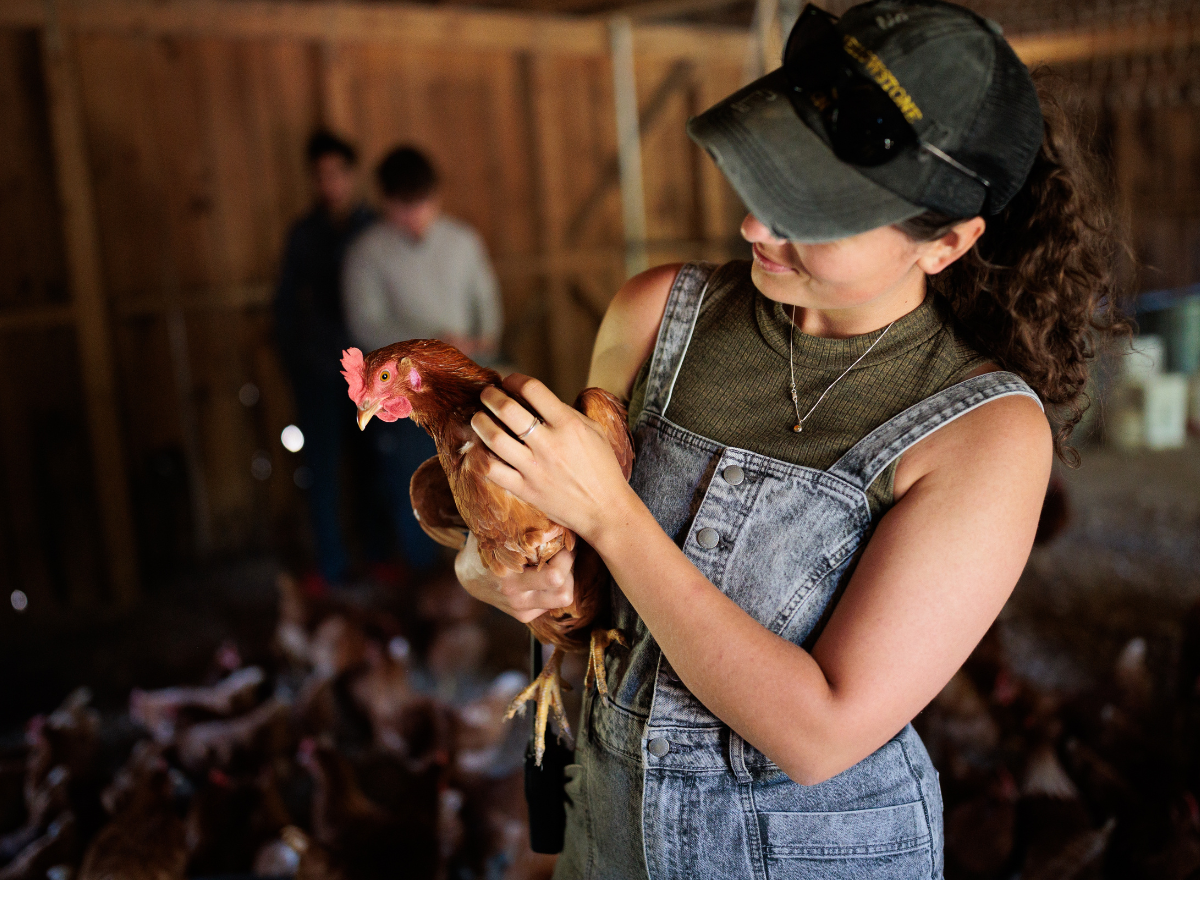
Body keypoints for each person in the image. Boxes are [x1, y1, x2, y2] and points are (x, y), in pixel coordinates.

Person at [454, 0, 1127, 880]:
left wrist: (613, 516)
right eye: (770, 181)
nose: (757, 228)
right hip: (608, 835)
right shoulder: (656, 313)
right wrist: (504, 574)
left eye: (815, 213)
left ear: (948, 242)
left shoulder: (985, 432)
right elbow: (538, 590)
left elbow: (822, 731)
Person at [344, 146, 503, 574]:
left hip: (465, 385)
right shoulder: (366, 253)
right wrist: (429, 345)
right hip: (407, 397)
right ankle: (426, 577)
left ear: (437, 196)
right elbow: (365, 325)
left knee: (484, 484)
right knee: (412, 489)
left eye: (423, 204)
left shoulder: (463, 242)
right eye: (403, 206)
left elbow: (488, 310)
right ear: (385, 202)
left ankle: (480, 577)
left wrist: (473, 339)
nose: (414, 215)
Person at [274, 129, 376, 588]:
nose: (330, 183)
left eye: (337, 173)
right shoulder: (303, 234)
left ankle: (381, 557)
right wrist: (291, 357)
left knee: (374, 463)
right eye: (321, 175)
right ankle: (331, 565)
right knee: (321, 467)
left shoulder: (372, 229)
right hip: (316, 368)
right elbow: (286, 302)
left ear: (351, 176)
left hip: (370, 370)